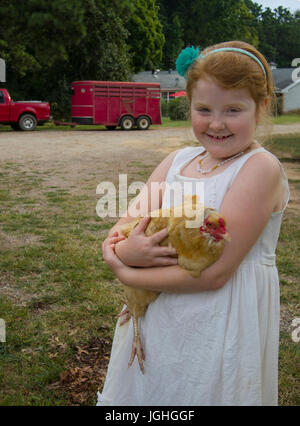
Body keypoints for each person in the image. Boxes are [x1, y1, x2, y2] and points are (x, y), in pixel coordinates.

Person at [98, 40, 290, 406]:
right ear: (189, 105)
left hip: (222, 316)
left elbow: (215, 273)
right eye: (204, 109)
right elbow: (122, 230)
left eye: (233, 109)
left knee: (204, 388)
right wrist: (126, 250)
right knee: (158, 390)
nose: (216, 123)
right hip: (160, 316)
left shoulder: (258, 168)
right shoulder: (176, 161)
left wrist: (127, 272)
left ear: (262, 107)